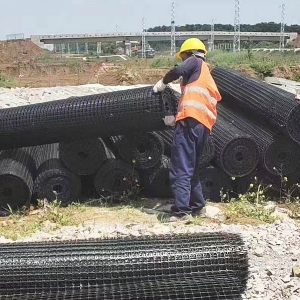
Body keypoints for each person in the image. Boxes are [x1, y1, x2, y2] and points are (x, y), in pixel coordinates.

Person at [153, 38, 222, 222]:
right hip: (201, 126)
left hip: (190, 124)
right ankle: (197, 207)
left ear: (189, 53)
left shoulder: (194, 61)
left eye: (182, 56)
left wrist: (162, 82)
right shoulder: (204, 74)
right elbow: (196, 104)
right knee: (191, 168)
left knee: (180, 168)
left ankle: (182, 212)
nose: (182, 59)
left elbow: (177, 71)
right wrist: (177, 118)